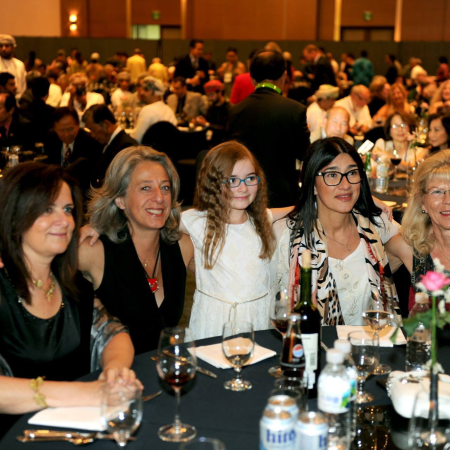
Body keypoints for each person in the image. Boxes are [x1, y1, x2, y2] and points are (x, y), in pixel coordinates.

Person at [0, 162, 137, 435]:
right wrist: (85, 393)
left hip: (77, 429)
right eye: (47, 209)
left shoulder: (73, 286)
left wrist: (115, 372)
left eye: (67, 209)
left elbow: (112, 332)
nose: (64, 221)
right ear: (14, 217)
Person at [271, 137, 400, 326]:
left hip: (371, 341)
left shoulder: (375, 225)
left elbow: (416, 239)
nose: (345, 184)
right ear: (312, 184)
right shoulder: (286, 235)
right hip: (309, 342)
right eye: (332, 175)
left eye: (352, 173)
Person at [79, 146, 194, 354]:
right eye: (145, 188)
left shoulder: (183, 247)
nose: (159, 197)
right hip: (112, 371)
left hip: (163, 370)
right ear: (120, 199)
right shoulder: (94, 251)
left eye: (165, 187)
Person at [181, 141, 290, 339]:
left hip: (258, 320)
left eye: (250, 178)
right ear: (212, 184)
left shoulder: (261, 219)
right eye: (232, 180)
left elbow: (293, 210)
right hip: (215, 323)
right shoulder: (197, 221)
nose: (243, 188)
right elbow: (158, 222)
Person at [228, 50, 310, 207]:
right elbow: (305, 154)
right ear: (284, 76)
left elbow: (228, 154)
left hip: (244, 194)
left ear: (252, 79)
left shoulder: (235, 111)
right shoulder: (295, 110)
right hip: (283, 195)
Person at [386, 150, 450, 310]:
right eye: (437, 192)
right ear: (422, 201)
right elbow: (365, 279)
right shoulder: (410, 247)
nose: (448, 200)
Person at [83, 104, 138, 188]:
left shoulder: (126, 146)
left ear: (106, 124)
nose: (92, 135)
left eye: (93, 129)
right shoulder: (103, 143)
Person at [130, 76, 177, 144]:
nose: (141, 93)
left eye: (146, 90)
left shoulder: (147, 110)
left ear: (155, 93)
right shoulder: (169, 110)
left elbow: (137, 139)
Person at [192, 79, 230, 147]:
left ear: (219, 92)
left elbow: (225, 129)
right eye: (208, 95)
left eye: (211, 95)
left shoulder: (229, 108)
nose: (209, 98)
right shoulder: (211, 107)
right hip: (210, 142)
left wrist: (206, 124)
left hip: (224, 144)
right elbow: (207, 120)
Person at [0, 35, 26, 99]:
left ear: (13, 48)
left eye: (7, 46)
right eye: (1, 46)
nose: (3, 49)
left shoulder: (20, 64)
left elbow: (23, 85)